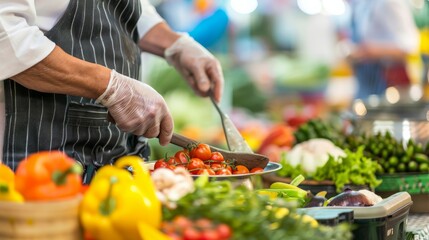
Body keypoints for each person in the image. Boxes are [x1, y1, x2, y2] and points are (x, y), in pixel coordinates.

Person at [0, 0, 224, 182]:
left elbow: (123, 7)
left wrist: (176, 45)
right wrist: (111, 87)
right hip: (34, 157)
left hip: (111, 163)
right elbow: (6, 35)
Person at [345, 0, 419, 99]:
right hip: (367, 81)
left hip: (389, 81)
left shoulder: (388, 3)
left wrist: (371, 51)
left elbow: (409, 46)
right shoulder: (363, 4)